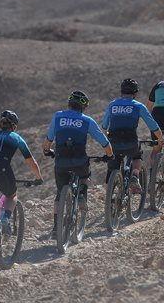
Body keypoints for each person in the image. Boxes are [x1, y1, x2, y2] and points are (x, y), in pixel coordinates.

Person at [44, 90, 113, 239]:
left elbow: (47, 141)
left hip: (61, 162)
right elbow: (104, 143)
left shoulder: (57, 116)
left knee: (58, 194)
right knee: (85, 177)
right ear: (83, 107)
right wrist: (109, 155)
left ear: (69, 104)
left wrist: (47, 151)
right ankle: (81, 193)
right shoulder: (87, 120)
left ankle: (56, 229)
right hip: (80, 161)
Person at [0, 110, 43, 235]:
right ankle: (5, 218)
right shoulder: (16, 137)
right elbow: (31, 162)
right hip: (3, 171)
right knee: (12, 196)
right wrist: (38, 178)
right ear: (13, 126)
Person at [101, 78, 164, 192]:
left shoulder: (112, 105)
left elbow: (104, 126)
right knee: (136, 156)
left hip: (113, 142)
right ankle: (135, 175)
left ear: (121, 92)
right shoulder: (138, 106)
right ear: (135, 93)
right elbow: (153, 125)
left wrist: (106, 140)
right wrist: (160, 139)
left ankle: (110, 193)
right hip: (131, 142)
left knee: (112, 166)